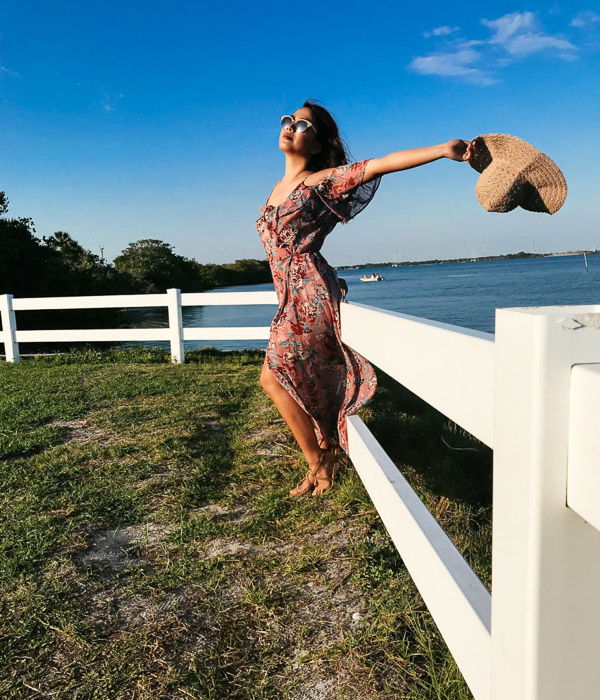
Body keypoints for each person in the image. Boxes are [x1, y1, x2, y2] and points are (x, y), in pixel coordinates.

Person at [257, 100, 474, 497]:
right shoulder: (276, 189)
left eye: (302, 124)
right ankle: (323, 455)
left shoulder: (321, 180)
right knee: (292, 379)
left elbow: (380, 164)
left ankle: (321, 463)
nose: (290, 126)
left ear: (320, 144)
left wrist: (443, 150)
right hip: (287, 295)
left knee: (272, 377)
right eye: (288, 120)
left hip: (309, 291)